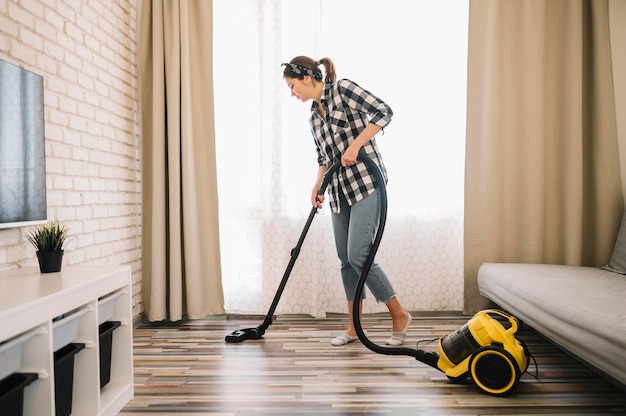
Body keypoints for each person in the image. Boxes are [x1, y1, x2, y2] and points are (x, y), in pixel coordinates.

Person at [282, 56, 412, 346]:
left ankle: (399, 313)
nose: (292, 94)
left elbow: (383, 111)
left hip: (367, 184)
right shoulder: (313, 117)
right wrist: (317, 184)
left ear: (307, 78)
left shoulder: (343, 90)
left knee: (358, 255)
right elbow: (323, 158)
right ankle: (354, 328)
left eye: (292, 86)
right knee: (346, 261)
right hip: (339, 192)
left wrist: (356, 145)